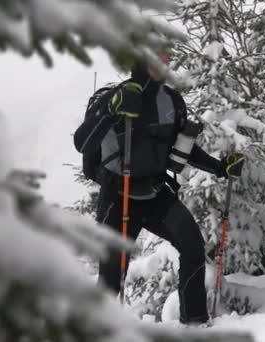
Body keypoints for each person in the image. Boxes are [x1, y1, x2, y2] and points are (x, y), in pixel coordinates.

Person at [73, 45, 245, 325]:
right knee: (112, 268)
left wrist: (220, 168)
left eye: (167, 57)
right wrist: (109, 113)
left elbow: (182, 148)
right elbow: (82, 143)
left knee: (191, 245)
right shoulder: (115, 97)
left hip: (155, 192)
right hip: (118, 193)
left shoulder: (171, 101)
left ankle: (195, 323)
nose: (164, 62)